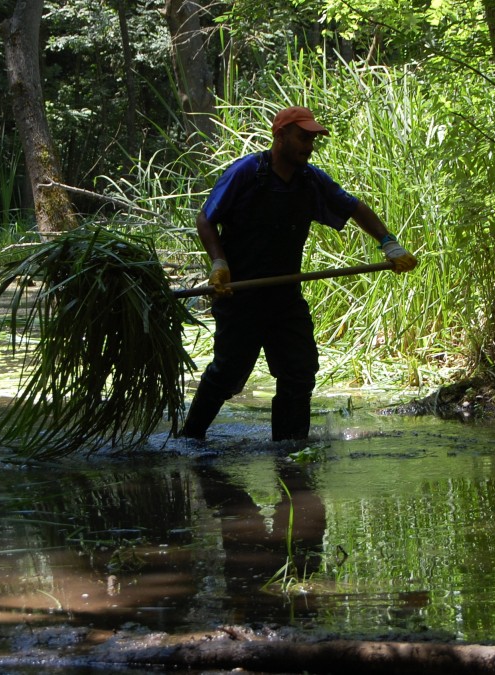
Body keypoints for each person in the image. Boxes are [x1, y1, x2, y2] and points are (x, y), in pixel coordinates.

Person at [179, 105, 418, 442]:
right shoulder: (247, 172)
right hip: (239, 294)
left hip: (285, 296)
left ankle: (290, 452)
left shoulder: (311, 181)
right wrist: (219, 264)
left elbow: (354, 208)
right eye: (303, 137)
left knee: (299, 372)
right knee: (229, 374)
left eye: (312, 139)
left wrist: (389, 244)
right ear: (280, 136)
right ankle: (189, 440)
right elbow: (206, 219)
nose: (309, 145)